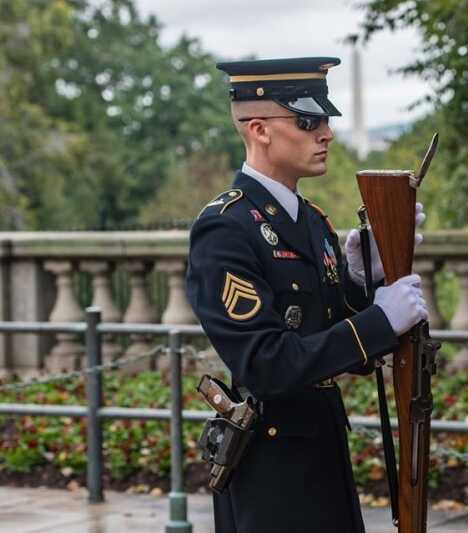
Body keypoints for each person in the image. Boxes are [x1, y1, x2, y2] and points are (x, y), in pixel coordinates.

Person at [185, 56, 428, 533]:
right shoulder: (226, 228)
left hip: (323, 446)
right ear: (259, 130)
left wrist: (365, 280)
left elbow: (328, 330)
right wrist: (379, 321)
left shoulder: (312, 221)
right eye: (307, 121)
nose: (326, 133)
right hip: (272, 467)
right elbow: (268, 362)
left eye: (325, 120)